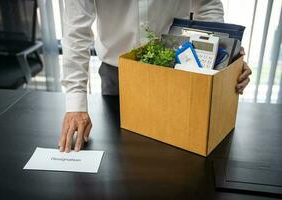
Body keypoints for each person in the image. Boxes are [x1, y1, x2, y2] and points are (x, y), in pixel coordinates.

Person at [58, 0, 252, 153]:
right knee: (119, 155)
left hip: (178, 71)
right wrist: (76, 104)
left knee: (179, 153)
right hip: (116, 78)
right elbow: (76, 30)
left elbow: (207, 5)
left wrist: (224, 59)